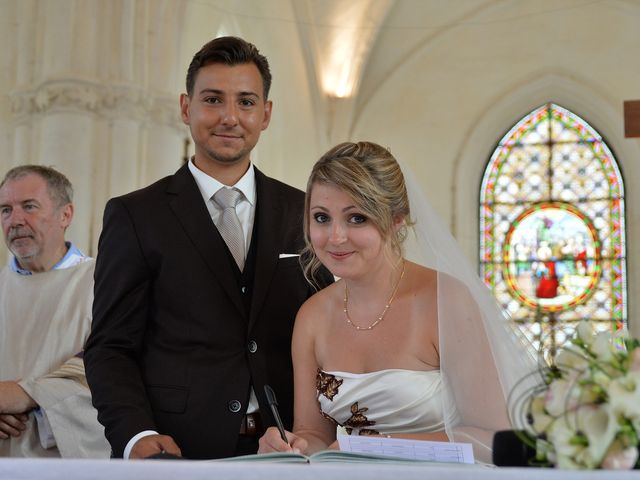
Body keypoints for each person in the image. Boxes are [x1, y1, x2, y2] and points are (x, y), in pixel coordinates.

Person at [83, 36, 333, 460]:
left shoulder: (304, 211)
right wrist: (134, 434)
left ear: (266, 114)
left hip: (288, 446)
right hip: (174, 448)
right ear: (186, 107)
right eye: (213, 99)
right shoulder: (135, 215)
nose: (230, 117)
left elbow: (330, 328)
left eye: (246, 102)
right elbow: (111, 346)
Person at [258, 142, 538, 464]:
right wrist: (291, 444)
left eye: (357, 219)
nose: (335, 237)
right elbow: (314, 434)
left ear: (396, 220)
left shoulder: (446, 301)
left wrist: (374, 447)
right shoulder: (312, 317)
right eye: (321, 218)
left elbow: (491, 438)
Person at [0, 165, 109, 458]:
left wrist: (24, 396)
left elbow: (113, 366)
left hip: (65, 461)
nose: (15, 220)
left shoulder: (103, 281)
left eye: (29, 207)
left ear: (66, 215)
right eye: (5, 210)